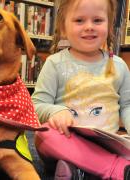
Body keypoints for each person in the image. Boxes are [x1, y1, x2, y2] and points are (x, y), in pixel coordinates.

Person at [31, 0, 130, 179]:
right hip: (67, 139)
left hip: (106, 144)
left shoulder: (119, 65)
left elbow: (127, 105)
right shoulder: (55, 63)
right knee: (44, 135)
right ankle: (117, 169)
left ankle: (79, 169)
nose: (89, 27)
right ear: (63, 27)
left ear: (108, 25)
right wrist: (56, 111)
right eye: (79, 21)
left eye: (98, 20)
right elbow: (36, 105)